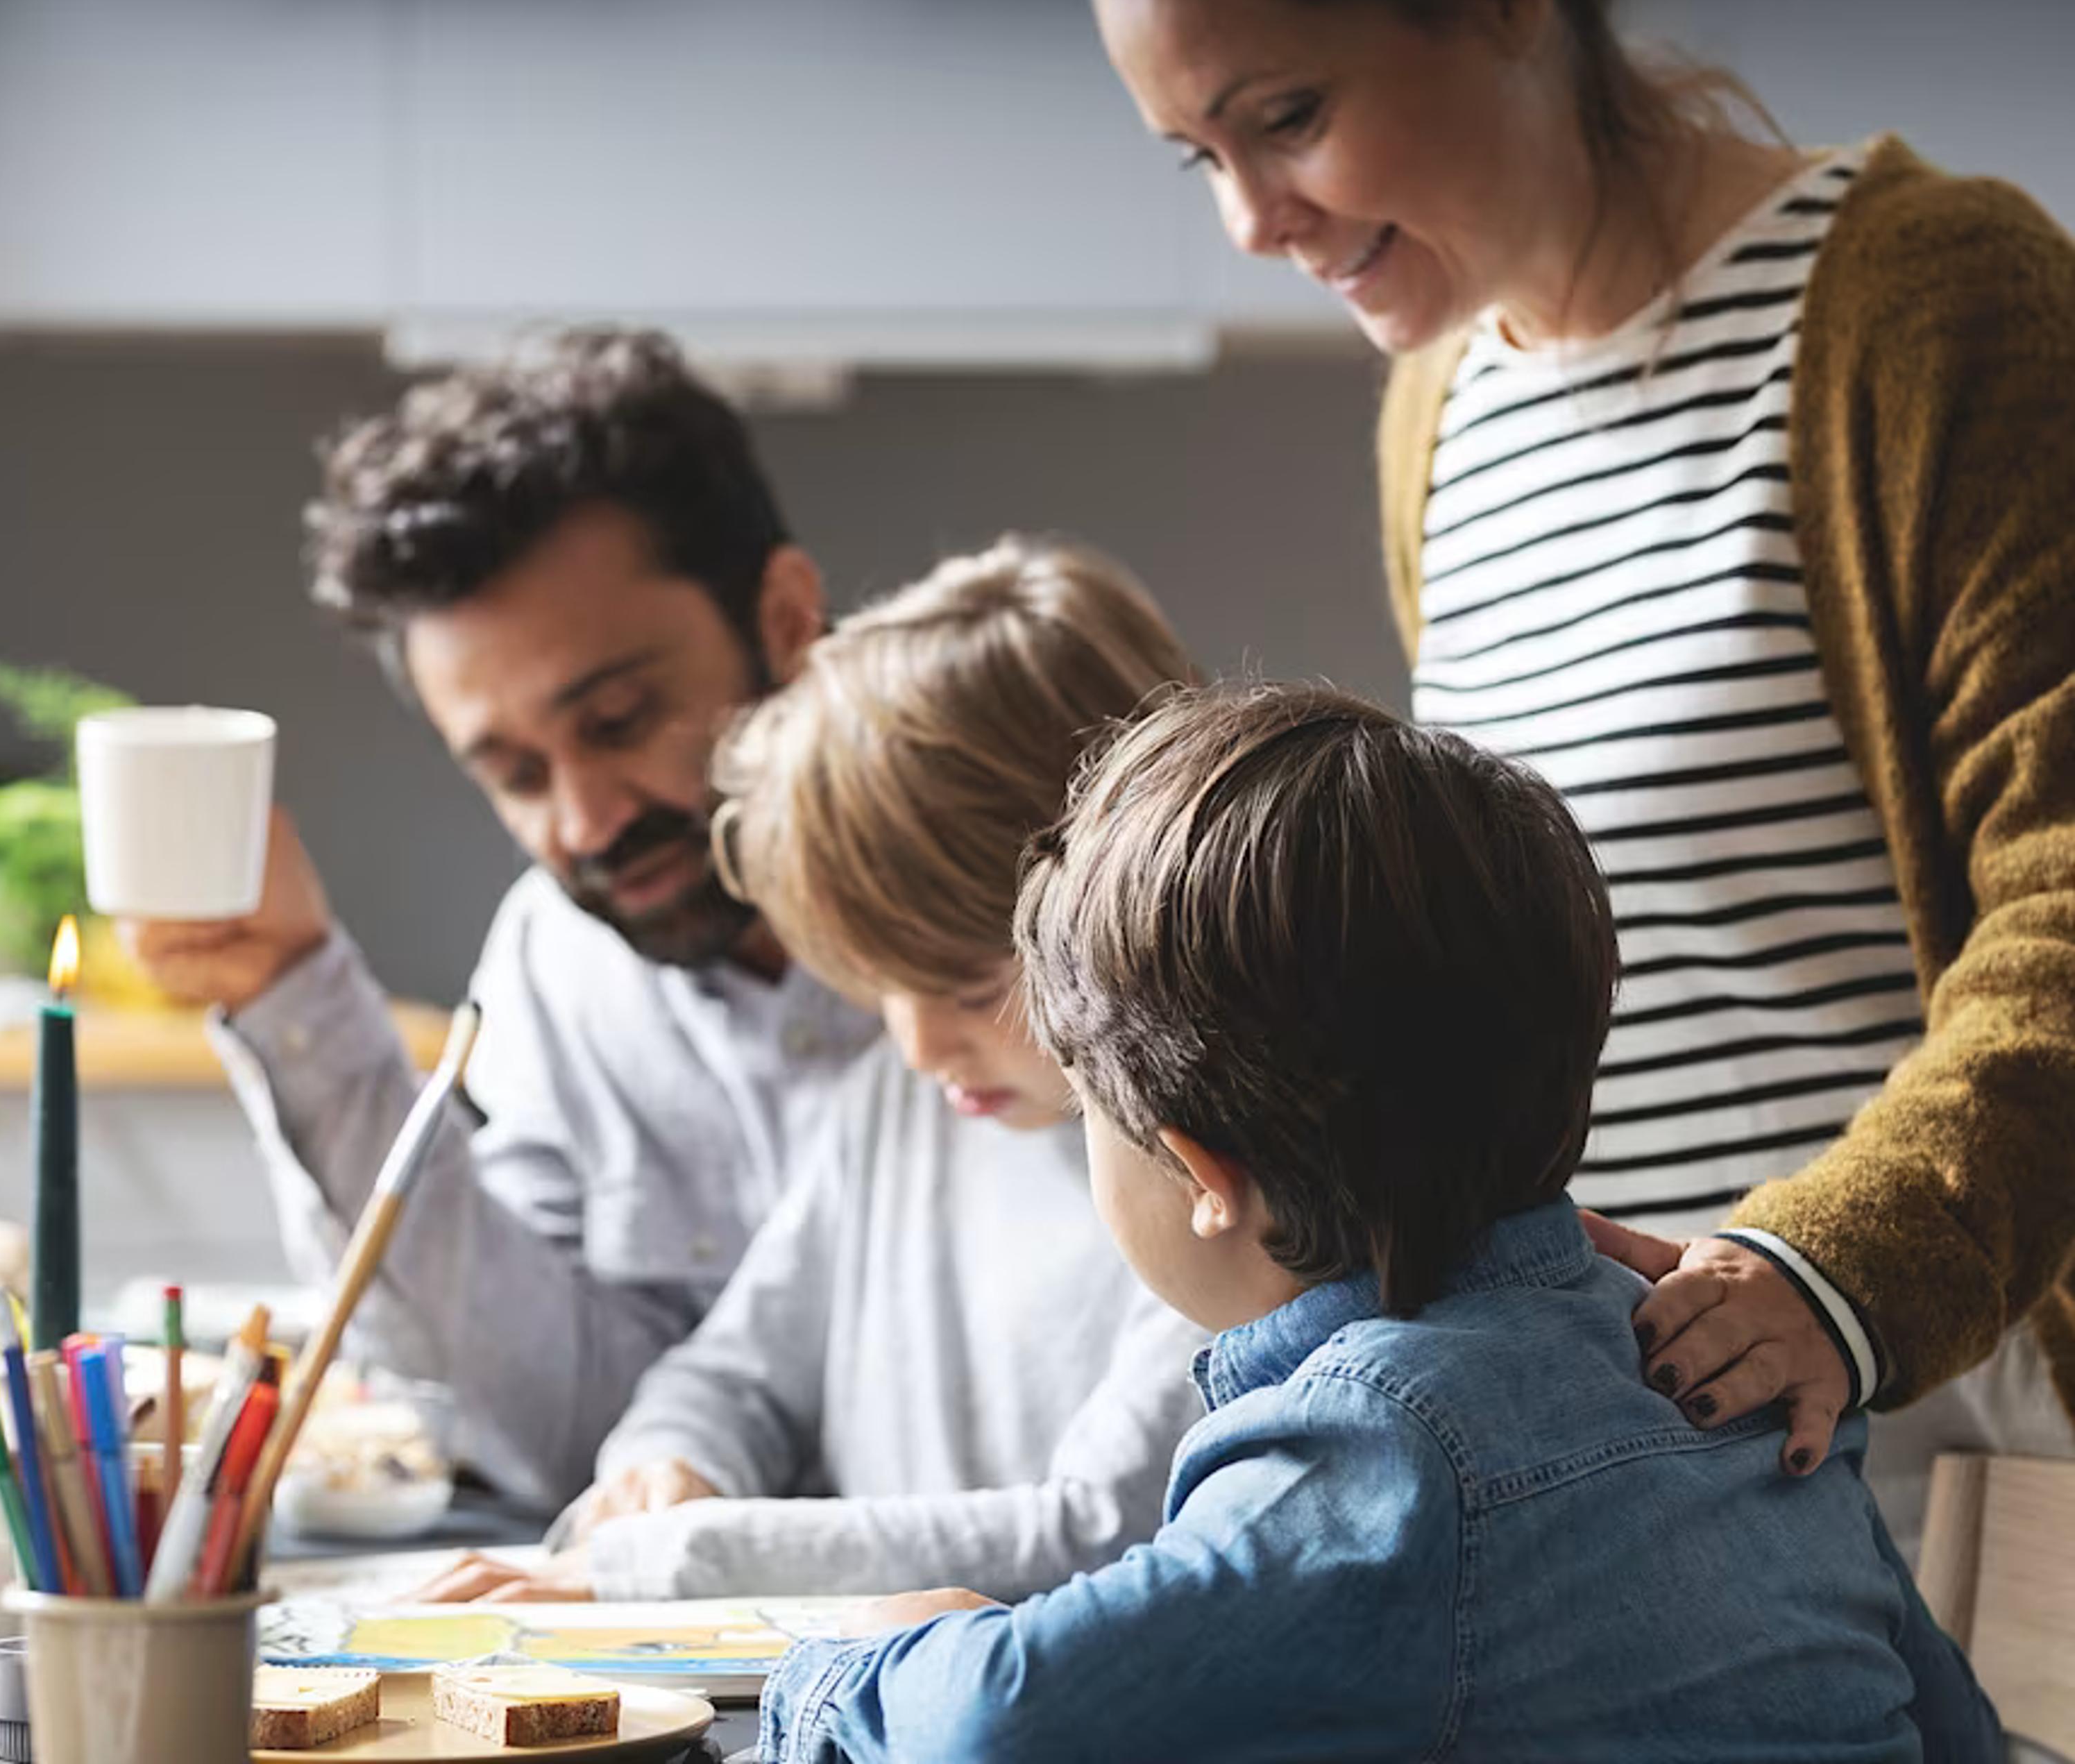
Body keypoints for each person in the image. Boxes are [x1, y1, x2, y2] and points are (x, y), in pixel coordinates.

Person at [1085, 0, 2075, 1551]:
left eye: (1286, 120)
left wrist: (1834, 1274)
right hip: (1646, 1471)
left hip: (1952, 1444)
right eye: (1191, 157)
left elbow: (2062, 905)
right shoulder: (1441, 400)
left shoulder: (1931, 301)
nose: (1251, 220)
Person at [761, 683, 2000, 1763]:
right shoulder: (1735, 1373)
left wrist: (872, 1652)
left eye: (1087, 1105)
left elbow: (994, 1728)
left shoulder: (1384, 1459)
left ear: (1202, 1172)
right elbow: (1955, 1738)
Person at [123, 330, 879, 1509]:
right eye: (515, 773)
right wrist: (291, 987)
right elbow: (559, 1424)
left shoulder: (1043, 916)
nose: (581, 822)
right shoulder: (562, 953)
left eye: (622, 720)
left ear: (785, 617)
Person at [416, 538, 1212, 1604]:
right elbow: (737, 1372)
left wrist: (669, 1563)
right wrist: (673, 1464)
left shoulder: (1219, 1179)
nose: (918, 1045)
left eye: (970, 989)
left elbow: (1102, 1532)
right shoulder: (899, 1097)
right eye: (879, 987)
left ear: (1135, 910)